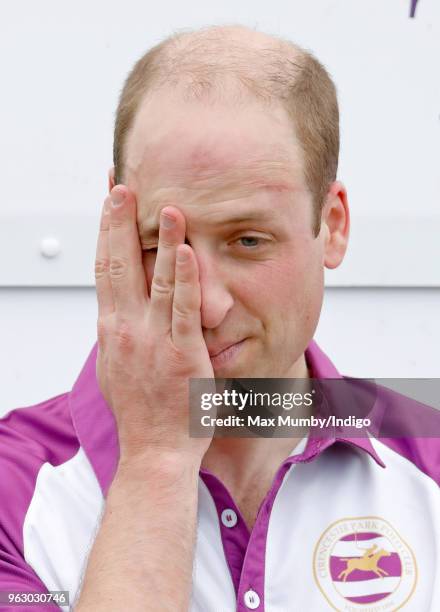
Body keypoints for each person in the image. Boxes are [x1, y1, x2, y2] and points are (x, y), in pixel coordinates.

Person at [0, 24, 438, 612]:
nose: (203, 305)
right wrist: (157, 458)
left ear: (332, 225)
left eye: (248, 241)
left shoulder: (426, 448)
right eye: (160, 241)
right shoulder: (14, 483)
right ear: (114, 216)